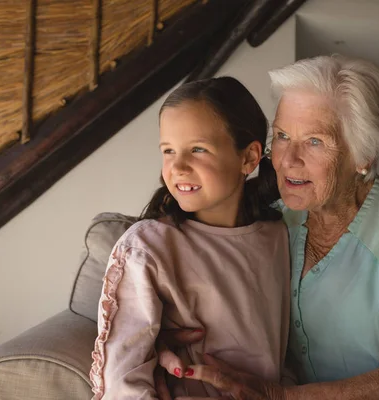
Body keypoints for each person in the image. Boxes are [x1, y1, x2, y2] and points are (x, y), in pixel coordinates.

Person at [158, 55, 379, 400]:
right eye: (283, 136)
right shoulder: (269, 219)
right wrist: (160, 337)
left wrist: (285, 397)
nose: (288, 160)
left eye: (315, 141)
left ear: (364, 155)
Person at [89, 77, 292, 399]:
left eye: (198, 149)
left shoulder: (280, 236)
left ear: (249, 158)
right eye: (168, 150)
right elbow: (122, 374)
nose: (178, 166)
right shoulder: (147, 248)